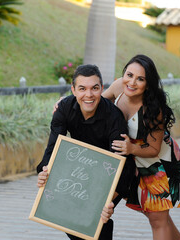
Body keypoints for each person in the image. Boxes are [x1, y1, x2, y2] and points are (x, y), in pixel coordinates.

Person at [36, 64, 136, 240]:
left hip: (111, 174)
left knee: (96, 220)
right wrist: (45, 171)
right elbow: (53, 147)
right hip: (79, 169)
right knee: (70, 220)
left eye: (94, 88)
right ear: (73, 90)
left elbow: (120, 162)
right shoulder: (64, 109)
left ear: (101, 89)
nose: (88, 95)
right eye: (82, 88)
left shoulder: (114, 117)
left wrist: (108, 201)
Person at [103, 54, 180, 240]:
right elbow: (95, 104)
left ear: (148, 84)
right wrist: (64, 104)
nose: (132, 82)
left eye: (140, 79)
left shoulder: (153, 109)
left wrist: (131, 149)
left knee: (157, 219)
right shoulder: (119, 86)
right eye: (129, 75)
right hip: (131, 162)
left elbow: (154, 149)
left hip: (157, 163)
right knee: (155, 214)